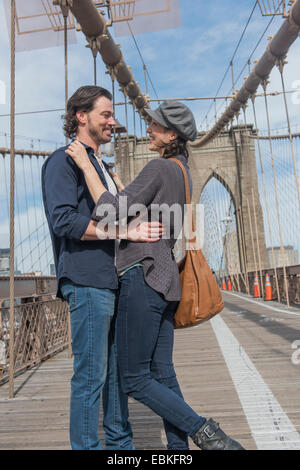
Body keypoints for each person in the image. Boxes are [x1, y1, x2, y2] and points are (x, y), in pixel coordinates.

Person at [66, 100, 245, 451]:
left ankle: (208, 433)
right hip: (165, 282)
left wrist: (87, 165)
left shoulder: (159, 168)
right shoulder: (181, 173)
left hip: (141, 275)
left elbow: (108, 212)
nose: (147, 129)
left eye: (155, 125)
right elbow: (140, 212)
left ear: (172, 134)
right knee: (163, 373)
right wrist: (120, 183)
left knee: (134, 379)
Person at [41, 85, 163, 450]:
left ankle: (120, 447)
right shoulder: (62, 162)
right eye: (106, 114)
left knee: (116, 376)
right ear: (82, 116)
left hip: (116, 282)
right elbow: (63, 221)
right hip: (87, 279)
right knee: (91, 375)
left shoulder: (101, 169)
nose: (114, 121)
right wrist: (125, 229)